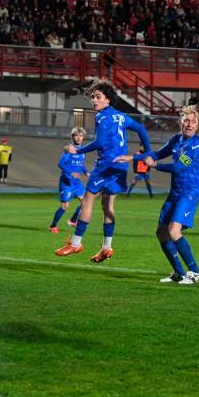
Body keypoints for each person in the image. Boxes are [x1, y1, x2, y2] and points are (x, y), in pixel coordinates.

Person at [54, 79, 151, 262]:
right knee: (108, 206)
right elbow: (141, 129)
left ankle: (75, 243)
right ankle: (107, 247)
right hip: (120, 166)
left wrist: (78, 150)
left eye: (98, 97)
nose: (94, 101)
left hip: (105, 165)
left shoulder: (101, 117)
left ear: (108, 100)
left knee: (87, 201)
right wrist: (149, 151)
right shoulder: (121, 116)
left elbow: (99, 142)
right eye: (92, 97)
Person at [114, 105, 199, 284]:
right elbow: (157, 153)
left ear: (197, 126)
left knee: (174, 231)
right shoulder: (176, 140)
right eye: (186, 120)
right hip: (175, 192)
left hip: (189, 192)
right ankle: (178, 273)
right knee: (162, 232)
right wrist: (133, 157)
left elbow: (178, 168)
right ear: (181, 122)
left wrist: (154, 165)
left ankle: (196, 272)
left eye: (193, 122)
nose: (189, 124)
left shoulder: (197, 145)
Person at [49, 127, 89, 233]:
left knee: (85, 202)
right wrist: (71, 173)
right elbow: (60, 164)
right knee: (65, 206)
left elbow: (81, 163)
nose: (79, 138)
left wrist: (86, 172)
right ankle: (53, 226)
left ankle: (73, 220)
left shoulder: (82, 151)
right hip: (67, 183)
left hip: (77, 183)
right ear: (72, 137)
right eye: (76, 135)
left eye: (81, 136)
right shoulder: (69, 150)